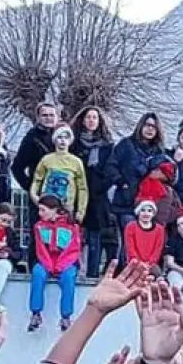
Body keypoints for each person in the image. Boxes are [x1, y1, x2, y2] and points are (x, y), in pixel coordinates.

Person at [71, 107, 117, 277]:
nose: (91, 120)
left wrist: (101, 186)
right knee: (75, 234)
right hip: (78, 194)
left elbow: (112, 170)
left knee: (95, 237)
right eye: (88, 117)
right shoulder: (73, 144)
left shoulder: (108, 146)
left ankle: (92, 273)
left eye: (94, 117)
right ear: (82, 120)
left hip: (98, 196)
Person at [112, 113, 173, 239]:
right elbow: (111, 165)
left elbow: (169, 175)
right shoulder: (126, 144)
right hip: (126, 201)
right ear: (141, 126)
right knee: (128, 241)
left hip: (149, 205)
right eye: (148, 125)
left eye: (154, 127)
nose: (150, 129)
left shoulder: (160, 152)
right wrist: (120, 181)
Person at [30, 195, 83, 332]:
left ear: (54, 210)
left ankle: (65, 316)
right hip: (47, 261)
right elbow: (40, 249)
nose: (39, 213)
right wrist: (48, 265)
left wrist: (60, 266)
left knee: (69, 277)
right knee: (38, 273)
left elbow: (73, 249)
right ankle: (36, 313)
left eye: (43, 210)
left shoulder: (72, 227)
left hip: (65, 261)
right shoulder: (39, 227)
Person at [31, 125, 88, 223]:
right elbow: (37, 180)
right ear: (55, 139)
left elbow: (82, 188)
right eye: (60, 137)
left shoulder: (76, 162)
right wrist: (35, 197)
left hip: (66, 209)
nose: (62, 140)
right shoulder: (46, 160)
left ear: (70, 140)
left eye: (66, 137)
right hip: (47, 208)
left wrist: (80, 211)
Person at [11, 103, 61, 198]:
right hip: (40, 192)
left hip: (61, 189)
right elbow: (16, 167)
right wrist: (30, 188)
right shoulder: (31, 138)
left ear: (57, 117)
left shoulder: (64, 136)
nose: (48, 118)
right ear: (38, 117)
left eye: (51, 115)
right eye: (44, 115)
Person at [124, 200, 169, 274]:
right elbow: (130, 248)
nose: (146, 213)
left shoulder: (159, 229)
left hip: (151, 264)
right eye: (143, 210)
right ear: (138, 212)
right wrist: (138, 263)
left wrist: (149, 263)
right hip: (134, 263)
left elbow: (157, 249)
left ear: (153, 213)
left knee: (157, 275)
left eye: (149, 211)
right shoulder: (131, 226)